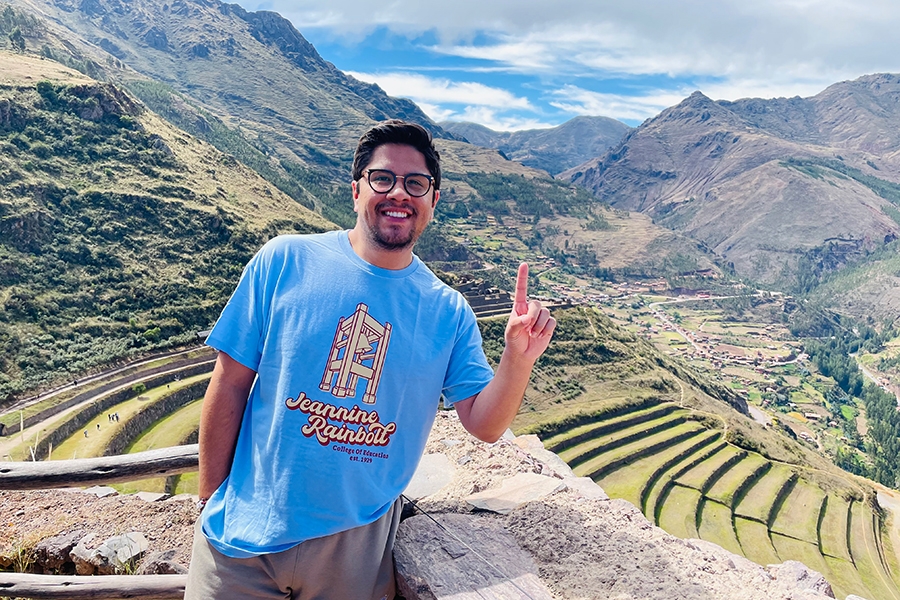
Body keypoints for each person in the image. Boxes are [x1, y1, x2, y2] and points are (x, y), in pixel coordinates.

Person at [185, 120, 556, 600]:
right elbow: (230, 382)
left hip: (354, 552)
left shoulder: (448, 311)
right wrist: (210, 499)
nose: (398, 193)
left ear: (433, 201)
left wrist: (518, 358)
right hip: (239, 540)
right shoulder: (285, 261)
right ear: (357, 190)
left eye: (415, 184)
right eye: (383, 179)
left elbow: (483, 425)